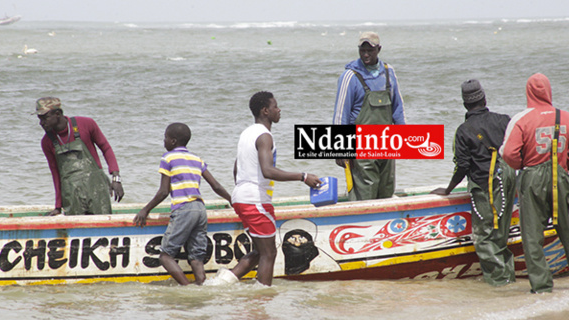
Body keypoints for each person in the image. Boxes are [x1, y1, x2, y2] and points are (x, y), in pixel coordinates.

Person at [206, 91, 322, 287]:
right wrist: (303, 176)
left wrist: (243, 192)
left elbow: (237, 168)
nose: (279, 110)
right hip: (255, 201)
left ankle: (221, 284)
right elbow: (268, 171)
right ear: (265, 111)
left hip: (241, 198)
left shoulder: (246, 133)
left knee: (261, 251)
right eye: (276, 106)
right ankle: (262, 297)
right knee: (269, 253)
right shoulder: (265, 136)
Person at [431, 79, 516, 286]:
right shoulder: (504, 120)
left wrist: (448, 189)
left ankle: (500, 285)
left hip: (485, 186)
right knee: (500, 235)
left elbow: (462, 166)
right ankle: (509, 280)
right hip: (508, 181)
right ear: (484, 98)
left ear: (464, 104)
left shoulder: (463, 131)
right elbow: (516, 149)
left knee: (485, 238)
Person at [133, 122, 232, 286]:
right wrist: (231, 199)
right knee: (196, 257)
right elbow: (216, 186)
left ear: (172, 141)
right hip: (200, 209)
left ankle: (187, 287)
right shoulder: (196, 159)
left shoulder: (168, 158)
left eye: (165, 138)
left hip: (184, 209)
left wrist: (145, 209)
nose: (163, 141)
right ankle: (201, 285)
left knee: (165, 256)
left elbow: (164, 192)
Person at [500, 73, 569, 293]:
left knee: (532, 236)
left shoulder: (521, 119)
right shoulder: (565, 116)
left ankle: (541, 286)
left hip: (532, 177)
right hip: (562, 176)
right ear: (549, 91)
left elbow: (508, 154)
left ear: (528, 92)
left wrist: (523, 165)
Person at [332, 31, 406, 201]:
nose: (366, 54)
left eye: (370, 50)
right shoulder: (349, 76)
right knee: (365, 190)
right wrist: (339, 149)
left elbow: (398, 107)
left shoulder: (388, 72)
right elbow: (340, 113)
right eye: (362, 50)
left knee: (387, 188)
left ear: (378, 49)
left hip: (387, 142)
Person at [35, 97, 124, 216]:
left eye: (45, 118)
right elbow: (56, 173)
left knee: (101, 228)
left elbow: (106, 148)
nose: (41, 123)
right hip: (71, 194)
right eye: (39, 119)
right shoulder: (47, 142)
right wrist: (58, 206)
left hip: (96, 188)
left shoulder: (86, 124)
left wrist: (116, 178)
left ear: (57, 114)